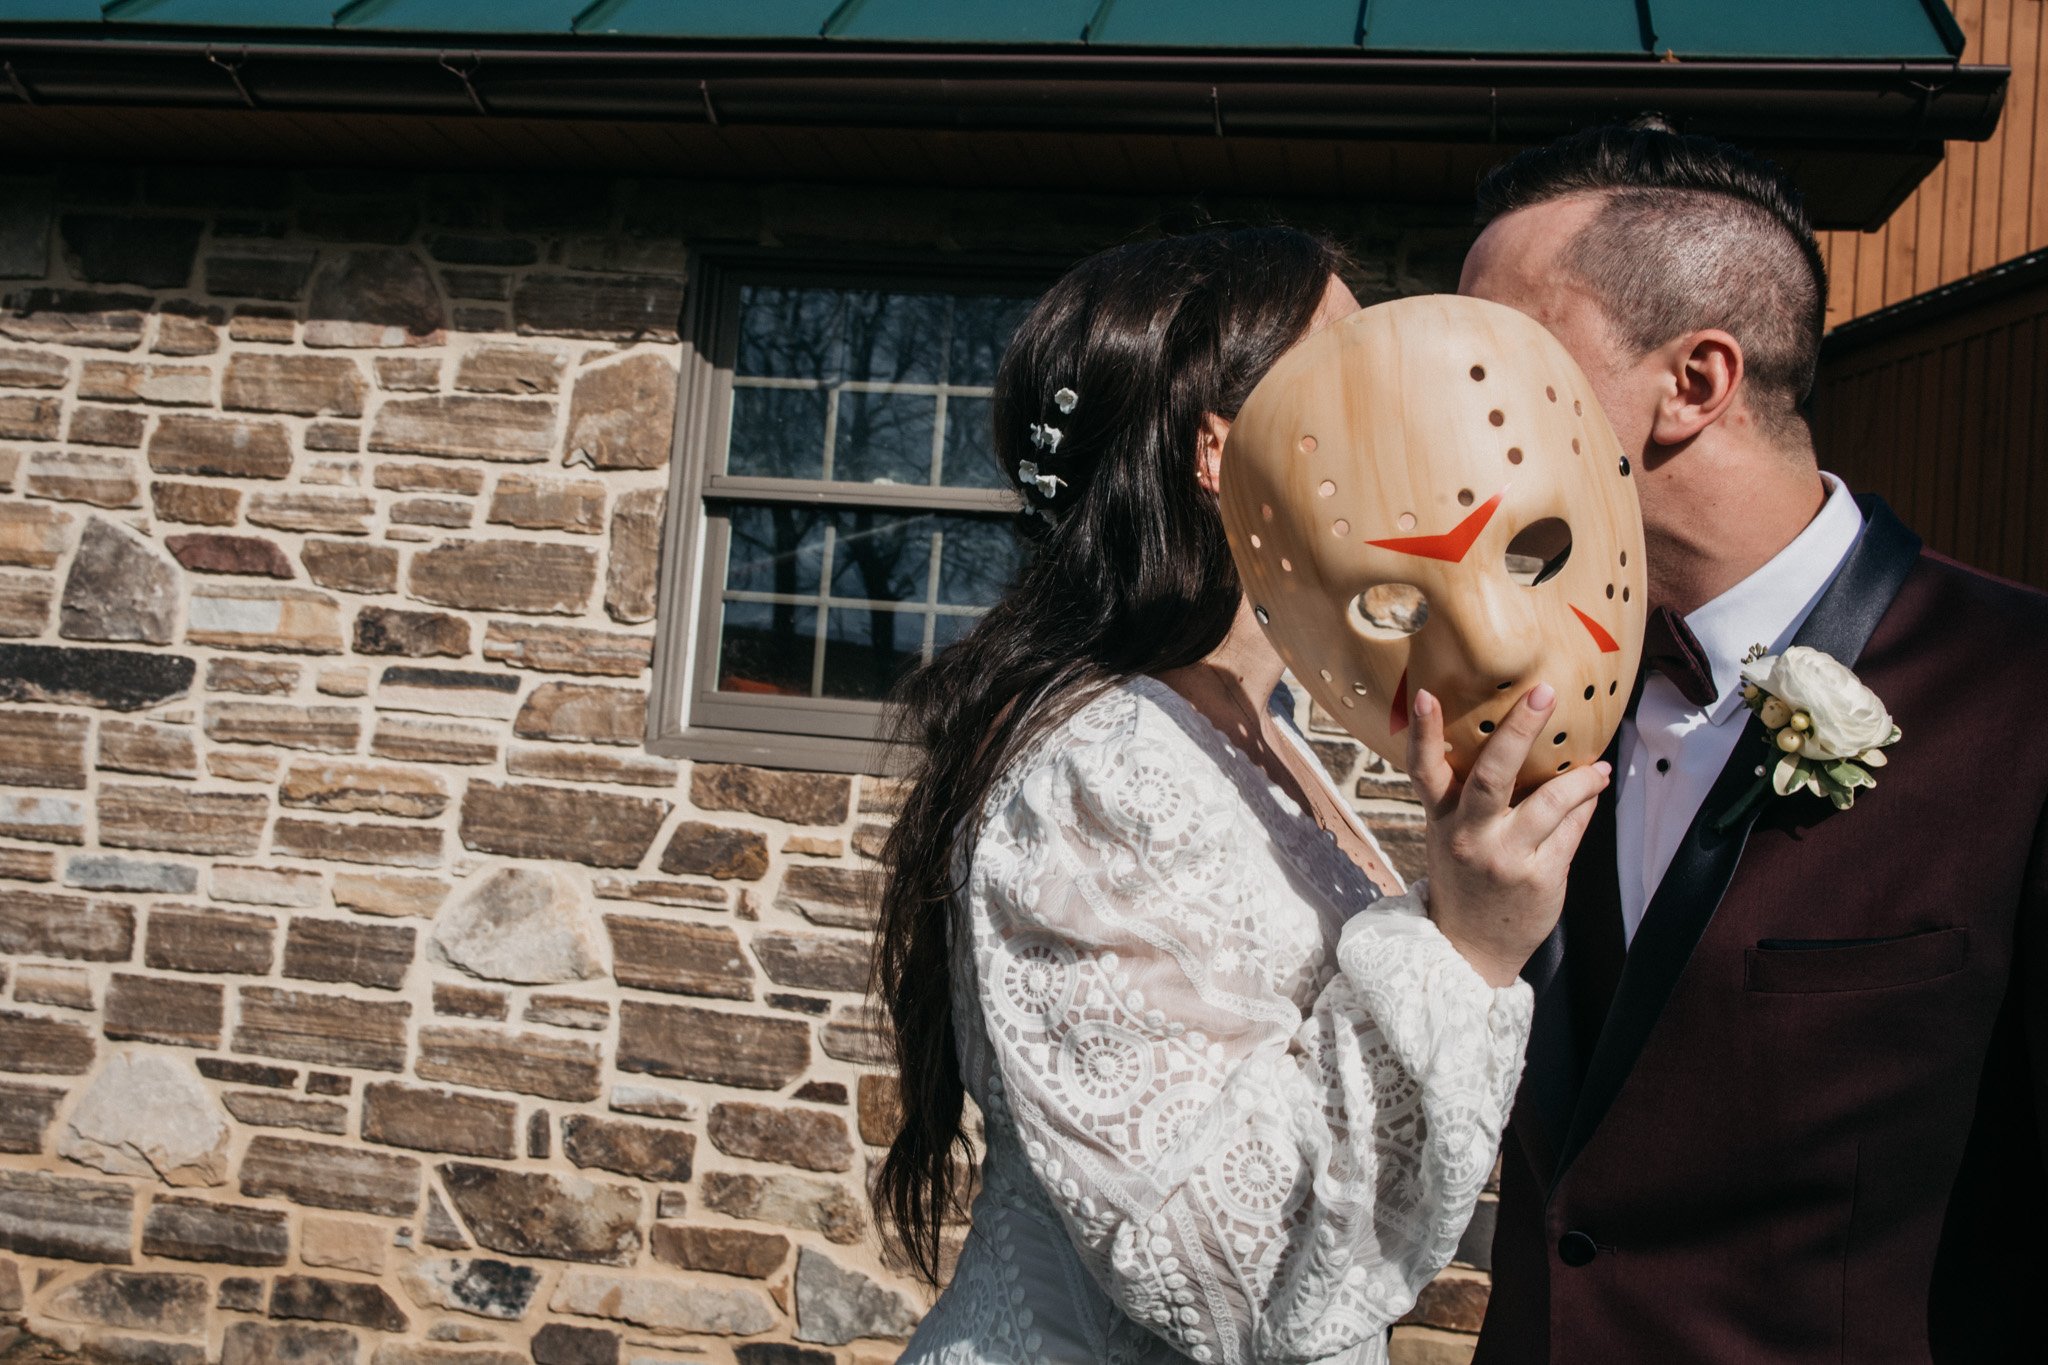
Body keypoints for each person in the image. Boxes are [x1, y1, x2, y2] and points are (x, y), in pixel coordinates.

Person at [871, 226, 1611, 1364]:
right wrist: (1462, 947)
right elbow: (1207, 1267)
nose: (1402, 407)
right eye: (1350, 365)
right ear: (1221, 452)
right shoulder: (1100, 770)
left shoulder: (1255, 732)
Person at [1459, 121, 2048, 1362]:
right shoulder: (1520, 691)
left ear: (1692, 382)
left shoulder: (2023, 700)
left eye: (1503, 359)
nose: (1458, 403)